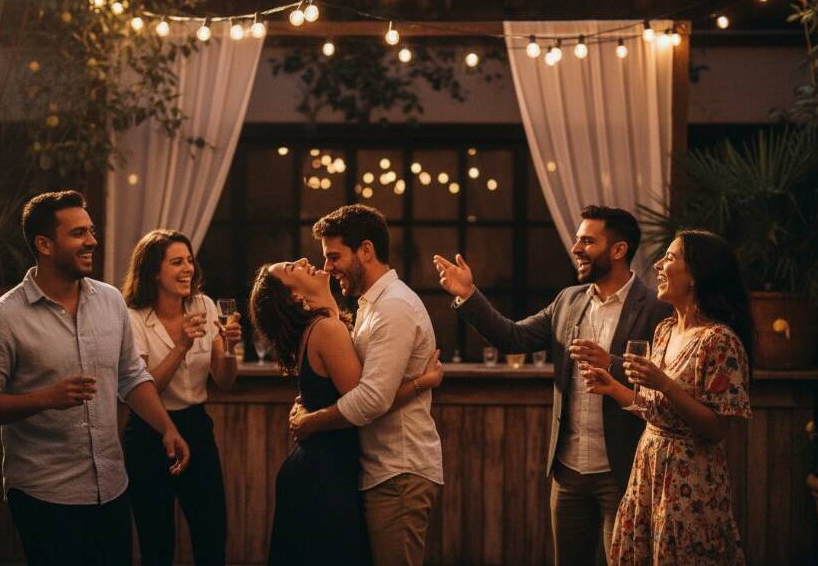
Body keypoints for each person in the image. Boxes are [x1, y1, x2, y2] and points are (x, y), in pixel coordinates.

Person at [0, 191, 189, 566]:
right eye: (79, 233)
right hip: (44, 493)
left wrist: (167, 428)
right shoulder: (1, 319)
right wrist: (45, 398)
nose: (92, 242)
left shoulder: (111, 300)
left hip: (112, 486)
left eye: (92, 231)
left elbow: (131, 376)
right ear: (44, 244)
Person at [434, 205, 672, 566]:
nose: (576, 248)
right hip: (568, 470)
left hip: (624, 469)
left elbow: (663, 379)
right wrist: (469, 295)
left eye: (588, 241)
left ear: (618, 250)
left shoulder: (656, 308)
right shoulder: (568, 300)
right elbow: (512, 337)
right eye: (577, 240)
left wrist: (611, 363)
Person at [250, 258, 443, 566]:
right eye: (292, 268)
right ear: (295, 298)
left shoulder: (330, 326)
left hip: (322, 467)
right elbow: (369, 403)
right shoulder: (327, 329)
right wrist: (423, 382)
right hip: (324, 475)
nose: (304, 260)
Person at [581, 229, 751, 565]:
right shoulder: (664, 330)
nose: (658, 265)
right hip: (648, 470)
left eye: (669, 258)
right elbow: (654, 410)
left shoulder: (720, 341)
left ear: (695, 276)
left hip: (691, 481)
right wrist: (612, 387)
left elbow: (716, 428)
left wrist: (666, 384)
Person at [289, 204, 444, 566]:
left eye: (334, 256)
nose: (327, 267)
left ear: (367, 250)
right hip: (379, 470)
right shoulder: (370, 306)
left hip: (399, 473)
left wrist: (311, 421)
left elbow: (372, 400)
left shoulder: (394, 308)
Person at [121, 229, 241, 566]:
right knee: (157, 545)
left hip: (196, 427)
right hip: (149, 433)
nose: (188, 268)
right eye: (177, 262)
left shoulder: (203, 304)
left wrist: (230, 347)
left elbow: (225, 380)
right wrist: (182, 346)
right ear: (153, 272)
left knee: (212, 538)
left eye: (189, 260)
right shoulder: (132, 318)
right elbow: (143, 387)